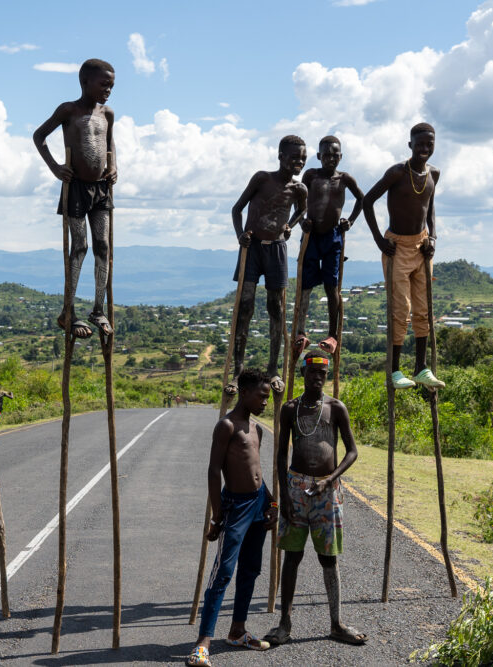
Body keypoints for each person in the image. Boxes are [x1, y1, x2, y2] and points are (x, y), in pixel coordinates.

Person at [264, 350, 366, 647]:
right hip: (295, 489)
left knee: (328, 558)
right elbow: (282, 454)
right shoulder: (290, 409)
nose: (318, 378)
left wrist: (330, 480)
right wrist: (284, 497)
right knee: (292, 557)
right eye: (313, 373)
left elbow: (352, 451)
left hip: (327, 491)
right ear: (304, 375)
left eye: (323, 374)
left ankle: (336, 623)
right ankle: (284, 624)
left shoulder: (336, 408)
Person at [187, 369, 279, 667]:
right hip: (235, 507)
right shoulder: (226, 427)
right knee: (223, 572)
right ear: (244, 393)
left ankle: (238, 630)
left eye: (267, 396)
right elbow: (214, 471)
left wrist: (271, 502)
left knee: (251, 569)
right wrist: (216, 516)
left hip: (257, 504)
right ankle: (203, 644)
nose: (266, 401)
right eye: (261, 396)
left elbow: (256, 472)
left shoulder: (257, 429)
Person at [33, 58, 117, 339]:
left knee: (103, 245)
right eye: (104, 84)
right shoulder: (69, 110)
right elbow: (39, 135)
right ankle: (67, 310)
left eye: (112, 85)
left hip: (101, 189)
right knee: (79, 245)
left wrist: (113, 165)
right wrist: (55, 167)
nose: (108, 90)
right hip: (76, 188)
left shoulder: (107, 114)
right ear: (85, 82)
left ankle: (97, 308)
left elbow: (110, 143)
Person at [362, 123, 445, 389]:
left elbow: (430, 208)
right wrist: (379, 240)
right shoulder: (397, 172)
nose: (424, 149)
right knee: (401, 310)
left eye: (429, 144)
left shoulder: (434, 173)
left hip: (422, 247)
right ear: (409, 145)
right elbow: (367, 201)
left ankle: (421, 368)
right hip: (396, 247)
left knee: (424, 310)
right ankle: (396, 371)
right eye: (419, 144)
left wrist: (432, 237)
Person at [228, 136, 308, 397]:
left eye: (303, 158)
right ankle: (238, 368)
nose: (299, 162)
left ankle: (273, 368)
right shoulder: (262, 178)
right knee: (245, 306)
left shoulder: (299, 190)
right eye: (294, 157)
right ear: (281, 156)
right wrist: (240, 235)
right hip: (251, 249)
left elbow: (300, 212)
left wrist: (290, 226)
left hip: (276, 250)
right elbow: (237, 208)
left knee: (276, 308)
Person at [294, 136, 364, 356]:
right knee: (305, 285)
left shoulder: (344, 179)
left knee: (331, 286)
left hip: (334, 237)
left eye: (335, 155)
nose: (331, 159)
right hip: (311, 236)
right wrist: (302, 218)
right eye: (326, 155)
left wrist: (349, 221)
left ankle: (332, 334)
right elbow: (299, 197)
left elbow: (362, 199)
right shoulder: (311, 175)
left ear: (341, 157)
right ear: (318, 156)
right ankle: (300, 333)